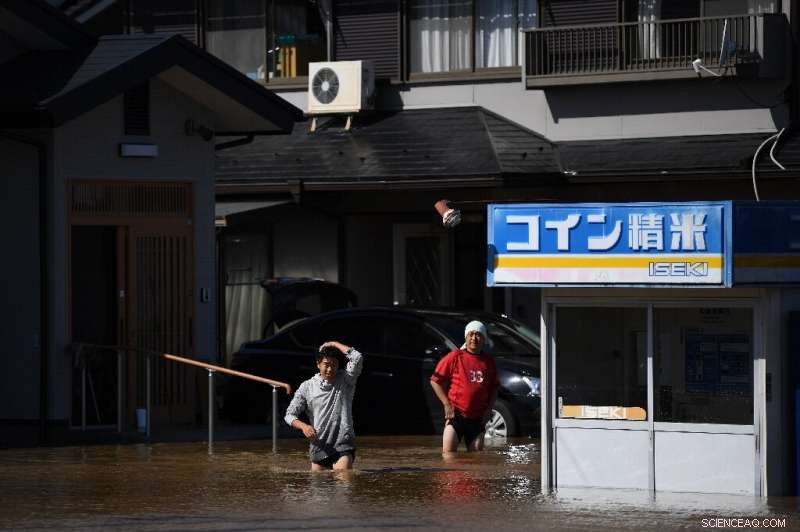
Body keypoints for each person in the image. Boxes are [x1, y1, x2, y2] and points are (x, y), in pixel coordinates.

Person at [284, 340, 363, 471]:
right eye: (326, 365)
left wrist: (333, 343)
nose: (330, 369)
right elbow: (289, 415)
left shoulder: (346, 380)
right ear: (318, 364)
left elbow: (357, 357)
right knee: (318, 484)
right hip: (319, 446)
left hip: (342, 444)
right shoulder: (307, 387)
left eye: (334, 365)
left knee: (343, 481)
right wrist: (304, 427)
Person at [430, 320, 499, 454]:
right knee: (448, 455)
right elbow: (435, 381)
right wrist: (446, 404)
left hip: (477, 419)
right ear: (466, 337)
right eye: (471, 334)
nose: (474, 338)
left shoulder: (489, 362)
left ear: (484, 339)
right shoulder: (455, 356)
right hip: (456, 415)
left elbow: (494, 388)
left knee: (476, 459)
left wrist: (488, 410)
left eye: (478, 335)